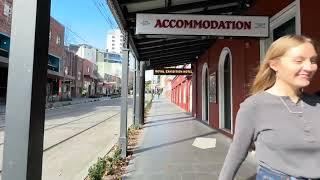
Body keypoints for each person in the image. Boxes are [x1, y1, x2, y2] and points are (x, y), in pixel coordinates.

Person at [218, 35, 320, 180]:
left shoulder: (316, 103)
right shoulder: (254, 106)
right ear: (274, 64)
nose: (309, 67)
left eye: (313, 61)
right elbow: (236, 153)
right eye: (299, 60)